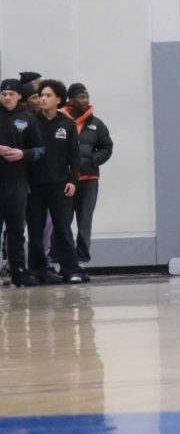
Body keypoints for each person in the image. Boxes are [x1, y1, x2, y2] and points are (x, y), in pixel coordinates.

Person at [27, 79, 84, 285]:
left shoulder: (67, 124)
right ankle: (36, 269)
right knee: (35, 229)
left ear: (58, 99)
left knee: (62, 227)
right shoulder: (32, 121)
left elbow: (75, 157)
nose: (43, 98)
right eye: (41, 95)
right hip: (35, 185)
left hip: (60, 184)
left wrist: (73, 180)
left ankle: (71, 269)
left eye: (48, 95)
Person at [63, 82, 113, 263]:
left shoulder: (96, 124)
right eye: (81, 97)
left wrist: (92, 160)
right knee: (63, 221)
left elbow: (107, 147)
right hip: (66, 180)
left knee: (85, 221)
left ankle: (82, 260)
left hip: (89, 180)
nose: (85, 100)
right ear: (71, 100)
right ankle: (64, 259)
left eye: (87, 97)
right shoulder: (61, 121)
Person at [0, 78, 43, 287]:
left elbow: (39, 150)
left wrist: (22, 153)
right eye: (3, 94)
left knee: (16, 228)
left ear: (19, 96)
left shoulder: (28, 119)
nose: (7, 97)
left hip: (17, 181)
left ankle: (19, 272)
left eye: (11, 94)